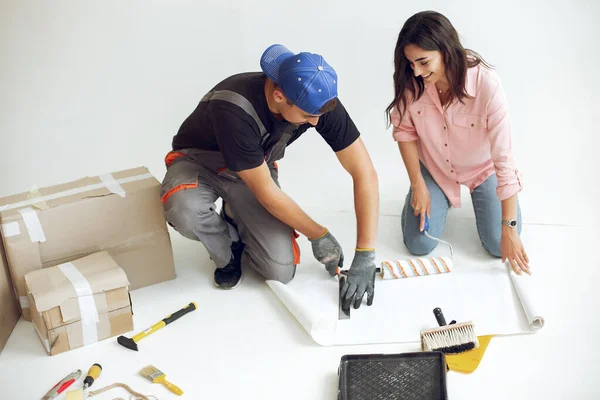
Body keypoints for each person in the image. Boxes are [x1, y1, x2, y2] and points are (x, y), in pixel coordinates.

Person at [161, 44, 379, 309]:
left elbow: (364, 172)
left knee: (280, 271)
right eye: (307, 116)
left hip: (253, 169)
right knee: (184, 210)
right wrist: (318, 234)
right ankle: (227, 246)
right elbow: (266, 193)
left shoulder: (318, 102)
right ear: (278, 96)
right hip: (199, 162)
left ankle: (233, 212)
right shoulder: (234, 108)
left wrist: (366, 252)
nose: (314, 123)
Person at [385, 11, 530, 275]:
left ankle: (490, 206)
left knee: (499, 245)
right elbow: (404, 131)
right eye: (410, 63)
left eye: (423, 62)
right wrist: (418, 183)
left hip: (483, 169)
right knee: (418, 245)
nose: (416, 71)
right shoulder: (412, 82)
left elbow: (503, 158)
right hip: (435, 168)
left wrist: (508, 227)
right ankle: (437, 195)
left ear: (445, 50)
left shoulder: (487, 85)